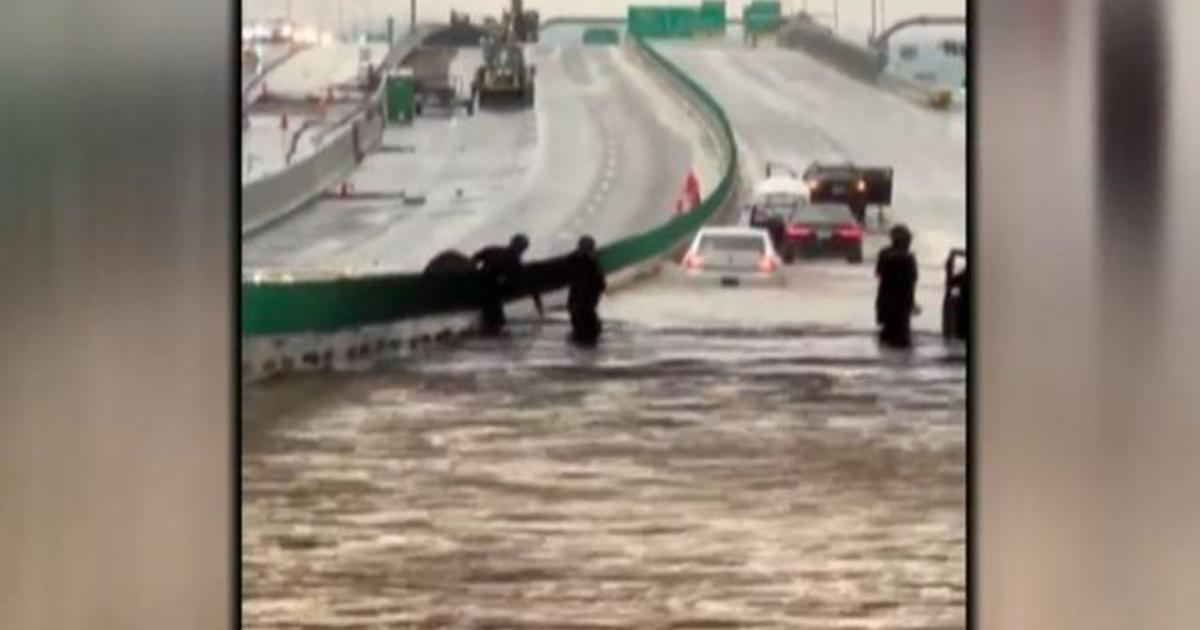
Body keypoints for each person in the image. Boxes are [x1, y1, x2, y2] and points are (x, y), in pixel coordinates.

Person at [472, 233, 544, 335]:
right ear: (521, 249)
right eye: (522, 248)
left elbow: (474, 260)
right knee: (496, 324)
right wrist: (538, 304)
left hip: (481, 289)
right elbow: (530, 284)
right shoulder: (515, 263)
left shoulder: (492, 250)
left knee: (490, 322)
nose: (522, 251)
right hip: (491, 293)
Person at [875, 224, 919, 348]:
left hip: (885, 302)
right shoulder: (909, 258)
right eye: (909, 239)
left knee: (886, 337)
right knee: (902, 339)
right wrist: (912, 303)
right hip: (901, 305)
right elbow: (911, 282)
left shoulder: (884, 254)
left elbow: (878, 273)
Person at [566, 236, 607, 346]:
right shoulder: (585, 260)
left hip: (584, 293)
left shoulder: (580, 259)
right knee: (582, 313)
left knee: (583, 313)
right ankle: (585, 334)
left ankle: (585, 334)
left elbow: (598, 280)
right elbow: (599, 279)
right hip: (582, 293)